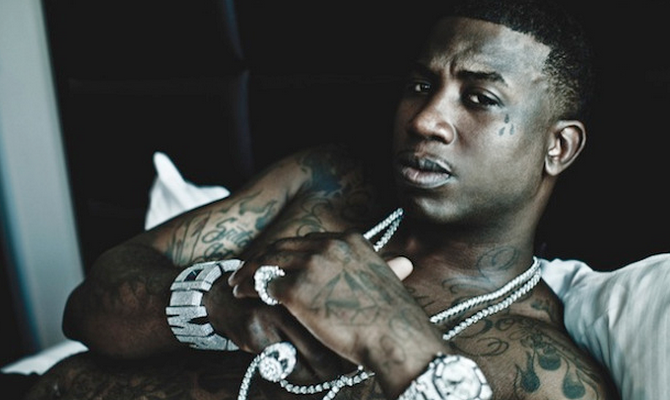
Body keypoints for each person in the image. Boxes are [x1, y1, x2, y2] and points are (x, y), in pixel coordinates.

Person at [24, 0, 620, 399]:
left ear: (558, 147)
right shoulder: (329, 183)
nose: (425, 120)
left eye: (479, 99)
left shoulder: (542, 369)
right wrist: (224, 306)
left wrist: (390, 338)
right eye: (420, 85)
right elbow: (89, 307)